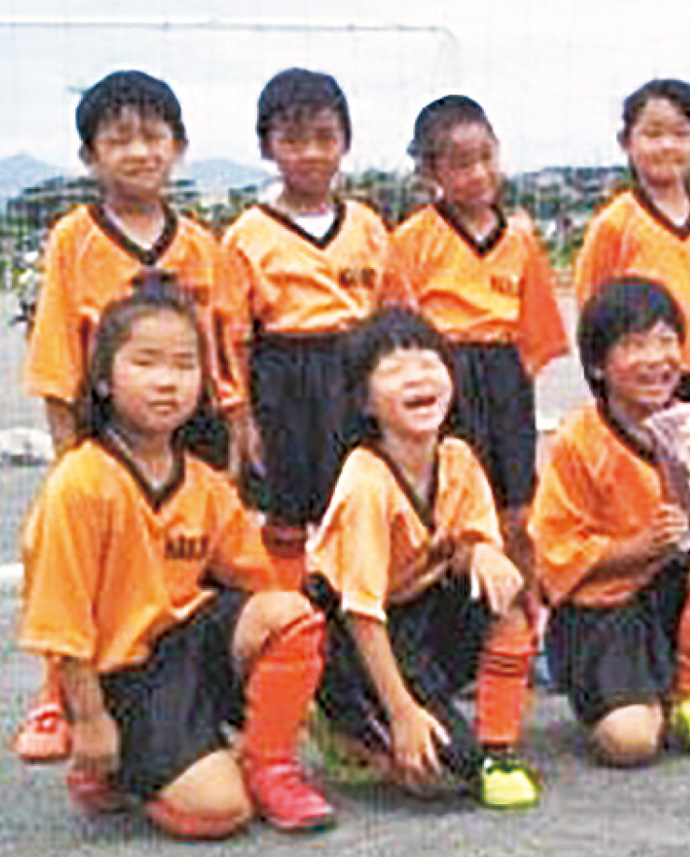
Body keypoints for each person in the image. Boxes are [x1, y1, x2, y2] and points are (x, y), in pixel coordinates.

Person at [18, 286, 333, 838]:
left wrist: (295, 686)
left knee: (290, 613)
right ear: (104, 378)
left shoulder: (204, 483)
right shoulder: (81, 483)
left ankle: (269, 767)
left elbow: (259, 586)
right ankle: (113, 769)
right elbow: (60, 621)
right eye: (146, 362)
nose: (168, 381)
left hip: (186, 647)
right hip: (120, 676)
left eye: (185, 365)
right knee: (219, 813)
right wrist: (90, 719)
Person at [16, 69, 247, 765]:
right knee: (69, 558)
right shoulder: (72, 240)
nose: (139, 151)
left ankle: (191, 696)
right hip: (107, 430)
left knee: (193, 563)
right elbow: (59, 357)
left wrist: (234, 440)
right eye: (118, 139)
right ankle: (61, 690)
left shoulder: (203, 245)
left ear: (178, 146)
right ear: (90, 156)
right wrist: (68, 458)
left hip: (193, 427)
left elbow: (224, 350)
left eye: (153, 136)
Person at [304, 306, 541, 809]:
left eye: (430, 363)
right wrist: (403, 710)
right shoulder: (365, 480)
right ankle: (346, 714)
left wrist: (485, 552)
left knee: (509, 595)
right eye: (393, 369)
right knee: (435, 778)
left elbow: (471, 547)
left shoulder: (457, 458)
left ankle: (498, 748)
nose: (418, 377)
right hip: (357, 632)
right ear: (364, 400)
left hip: (421, 608)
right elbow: (361, 612)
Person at [529, 277, 690, 766]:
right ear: (598, 364)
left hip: (669, 591)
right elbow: (554, 560)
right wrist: (639, 545)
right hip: (604, 610)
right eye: (634, 345)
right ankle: (626, 698)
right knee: (630, 744)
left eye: (666, 341)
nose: (656, 359)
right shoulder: (578, 441)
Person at [384, 95, 567, 576]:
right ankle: (457, 615)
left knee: (518, 510)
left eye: (487, 158)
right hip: (443, 375)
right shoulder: (412, 239)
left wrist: (511, 382)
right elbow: (397, 327)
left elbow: (537, 329)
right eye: (462, 164)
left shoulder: (520, 239)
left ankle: (526, 615)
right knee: (452, 506)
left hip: (504, 376)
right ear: (431, 172)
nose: (480, 174)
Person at [223, 68, 389, 574]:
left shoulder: (367, 225)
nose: (312, 152)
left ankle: (355, 611)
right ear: (267, 146)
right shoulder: (246, 235)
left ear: (345, 141)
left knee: (356, 499)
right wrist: (242, 419)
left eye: (325, 138)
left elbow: (391, 317)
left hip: (353, 372)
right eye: (293, 139)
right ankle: (290, 620)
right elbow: (235, 339)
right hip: (283, 378)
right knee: (285, 510)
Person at [574, 79, 690, 404]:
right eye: (653, 134)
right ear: (626, 142)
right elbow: (591, 307)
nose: (668, 146)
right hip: (639, 381)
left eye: (681, 134)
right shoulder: (616, 223)